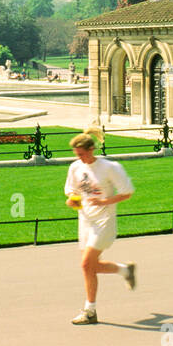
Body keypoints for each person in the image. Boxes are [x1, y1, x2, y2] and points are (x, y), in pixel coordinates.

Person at [64, 125, 135, 325]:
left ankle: (90, 311)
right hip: (85, 220)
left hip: (104, 220)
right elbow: (72, 190)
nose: (80, 159)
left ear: (91, 150)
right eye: (77, 155)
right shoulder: (75, 167)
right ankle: (125, 271)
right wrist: (72, 200)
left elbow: (127, 192)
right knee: (90, 267)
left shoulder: (110, 168)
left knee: (86, 264)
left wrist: (104, 202)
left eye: (82, 154)